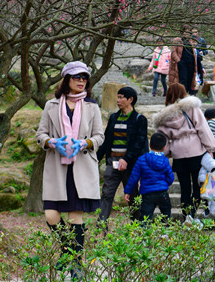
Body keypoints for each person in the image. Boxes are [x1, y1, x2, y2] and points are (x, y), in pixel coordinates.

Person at [36, 61, 104, 276]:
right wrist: (52, 142)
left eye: (84, 77)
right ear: (66, 80)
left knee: (76, 216)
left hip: (81, 167)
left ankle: (75, 262)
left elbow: (99, 136)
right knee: (51, 215)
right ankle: (67, 252)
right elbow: (40, 135)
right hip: (58, 167)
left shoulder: (93, 106)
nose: (81, 81)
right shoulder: (51, 105)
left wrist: (85, 143)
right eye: (77, 77)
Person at [152, 83, 215, 222]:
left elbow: (163, 140)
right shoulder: (192, 108)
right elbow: (202, 129)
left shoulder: (164, 116)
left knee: (184, 187)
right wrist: (211, 147)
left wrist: (169, 152)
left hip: (179, 155)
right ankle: (191, 214)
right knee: (198, 186)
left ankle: (186, 214)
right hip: (196, 152)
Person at [96, 86, 148, 225]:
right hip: (112, 161)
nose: (118, 100)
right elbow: (106, 140)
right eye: (117, 97)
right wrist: (96, 159)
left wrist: (126, 159)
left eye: (121, 97)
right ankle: (101, 226)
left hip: (130, 164)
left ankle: (136, 226)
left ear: (130, 100)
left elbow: (138, 143)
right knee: (107, 194)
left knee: (132, 196)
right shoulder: (113, 117)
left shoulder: (139, 119)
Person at [124, 132, 175, 224]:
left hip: (147, 194)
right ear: (164, 147)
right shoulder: (165, 161)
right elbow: (170, 178)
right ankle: (165, 234)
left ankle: (144, 236)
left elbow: (134, 177)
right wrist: (163, 184)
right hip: (162, 193)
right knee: (166, 214)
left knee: (145, 217)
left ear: (150, 145)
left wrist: (128, 191)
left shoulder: (141, 159)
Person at [177, 31, 199, 95]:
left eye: (188, 32)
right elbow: (174, 52)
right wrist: (179, 61)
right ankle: (183, 94)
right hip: (182, 62)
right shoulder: (179, 40)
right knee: (183, 79)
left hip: (191, 62)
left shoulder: (191, 41)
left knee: (190, 78)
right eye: (185, 31)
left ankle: (189, 94)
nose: (187, 34)